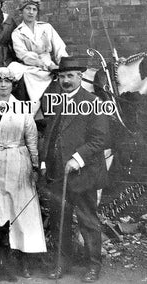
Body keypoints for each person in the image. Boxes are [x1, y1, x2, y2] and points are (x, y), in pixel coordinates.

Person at [41, 57, 108, 283]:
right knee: (60, 221)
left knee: (87, 221)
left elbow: (100, 139)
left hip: (82, 174)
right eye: (62, 76)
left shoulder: (93, 102)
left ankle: (93, 266)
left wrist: (77, 159)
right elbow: (50, 135)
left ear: (80, 77)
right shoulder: (56, 101)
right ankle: (62, 263)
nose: (66, 80)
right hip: (57, 174)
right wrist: (44, 162)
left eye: (70, 76)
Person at [0, 67, 46, 281]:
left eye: (7, 82)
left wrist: (35, 168)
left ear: (13, 85)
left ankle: (24, 260)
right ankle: (1, 261)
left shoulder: (23, 109)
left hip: (18, 161)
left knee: (21, 211)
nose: (3, 86)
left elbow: (32, 140)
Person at [8, 0, 69, 103]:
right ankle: (33, 107)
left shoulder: (46, 27)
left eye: (34, 9)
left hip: (50, 65)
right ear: (22, 11)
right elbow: (24, 55)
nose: (31, 12)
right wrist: (46, 65)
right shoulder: (17, 33)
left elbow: (59, 47)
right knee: (26, 76)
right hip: (31, 66)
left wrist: (64, 65)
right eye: (28, 8)